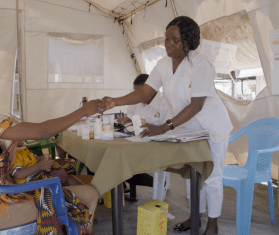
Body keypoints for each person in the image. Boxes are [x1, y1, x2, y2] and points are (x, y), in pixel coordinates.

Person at [103, 16, 233, 235]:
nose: (168, 44)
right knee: (194, 173)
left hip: (212, 127)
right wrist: (116, 101)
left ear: (188, 42)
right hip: (188, 128)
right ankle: (195, 216)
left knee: (212, 175)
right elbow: (144, 92)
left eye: (175, 40)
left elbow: (196, 106)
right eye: (166, 39)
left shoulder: (201, 66)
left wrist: (164, 127)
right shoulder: (163, 65)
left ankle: (213, 223)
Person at [0, 99, 103, 234]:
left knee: (72, 185)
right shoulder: (3, 126)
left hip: (10, 194)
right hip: (8, 203)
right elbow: (44, 130)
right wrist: (83, 111)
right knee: (90, 195)